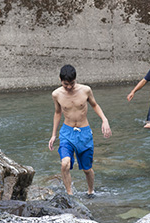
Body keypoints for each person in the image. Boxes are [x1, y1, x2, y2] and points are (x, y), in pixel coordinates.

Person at [48, 65, 112, 197]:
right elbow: (57, 112)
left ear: (75, 79)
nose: (69, 87)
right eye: (66, 84)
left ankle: (90, 192)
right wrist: (53, 135)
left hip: (84, 132)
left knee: (87, 169)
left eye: (72, 83)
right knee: (65, 163)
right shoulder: (56, 94)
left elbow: (94, 105)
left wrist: (104, 119)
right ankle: (70, 195)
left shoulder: (85, 90)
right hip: (67, 132)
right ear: (60, 80)